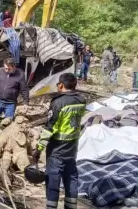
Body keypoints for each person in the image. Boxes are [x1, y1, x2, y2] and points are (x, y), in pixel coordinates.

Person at [33, 73, 86, 209]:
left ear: (61, 85)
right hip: (72, 148)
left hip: (57, 149)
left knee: (52, 181)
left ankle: (51, 207)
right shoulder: (81, 100)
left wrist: (38, 149)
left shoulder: (58, 102)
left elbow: (50, 128)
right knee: (71, 178)